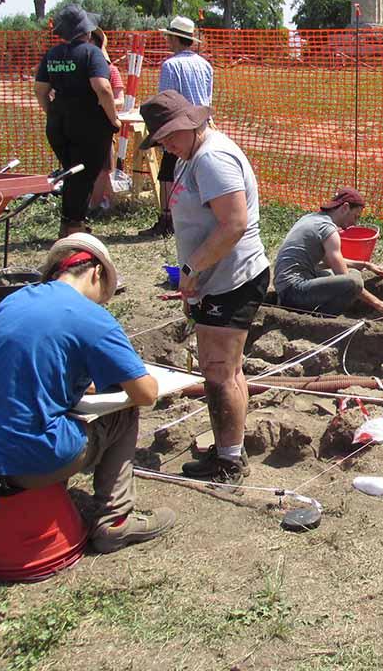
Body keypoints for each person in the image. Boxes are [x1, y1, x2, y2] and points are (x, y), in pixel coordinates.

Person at [0, 233, 176, 553]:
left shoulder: (14, 300)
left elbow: (29, 370)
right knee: (125, 411)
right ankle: (116, 519)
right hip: (26, 461)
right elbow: (146, 393)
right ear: (97, 273)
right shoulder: (91, 316)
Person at [139, 90, 270, 484]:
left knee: (218, 372)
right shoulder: (190, 155)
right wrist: (192, 276)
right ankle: (230, 449)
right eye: (159, 139)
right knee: (228, 370)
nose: (165, 144)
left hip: (232, 278)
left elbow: (234, 223)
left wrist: (192, 269)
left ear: (191, 123)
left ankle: (229, 463)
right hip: (215, 278)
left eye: (169, 136)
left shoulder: (212, 158)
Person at [33, 4, 121, 237]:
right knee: (83, 176)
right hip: (89, 124)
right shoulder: (92, 53)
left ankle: (70, 223)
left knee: (72, 173)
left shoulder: (52, 54)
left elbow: (40, 90)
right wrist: (114, 121)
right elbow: (103, 89)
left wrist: (52, 113)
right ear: (88, 31)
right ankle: (74, 228)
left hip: (59, 124)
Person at [141, 16, 214, 238]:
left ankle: (167, 219)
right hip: (202, 124)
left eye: (168, 36)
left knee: (167, 175)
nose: (166, 40)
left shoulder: (170, 65)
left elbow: (167, 99)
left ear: (175, 38)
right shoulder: (206, 65)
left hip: (179, 125)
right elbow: (208, 98)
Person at [271, 188, 383, 317]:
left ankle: (312, 312)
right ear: (345, 208)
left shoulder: (311, 219)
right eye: (355, 216)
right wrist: (378, 303)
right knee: (354, 282)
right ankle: (321, 319)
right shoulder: (327, 229)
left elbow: (331, 261)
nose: (354, 222)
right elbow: (346, 277)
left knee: (355, 274)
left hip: (285, 287)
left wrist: (366, 264)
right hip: (294, 291)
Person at [87, 28, 126, 217]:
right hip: (81, 126)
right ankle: (96, 203)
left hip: (102, 126)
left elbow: (120, 99)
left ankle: (94, 206)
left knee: (104, 168)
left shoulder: (111, 70)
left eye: (90, 41)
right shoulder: (81, 69)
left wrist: (103, 101)